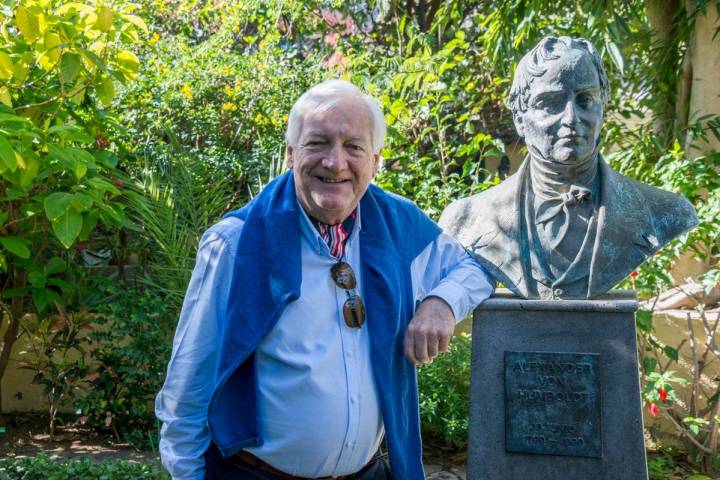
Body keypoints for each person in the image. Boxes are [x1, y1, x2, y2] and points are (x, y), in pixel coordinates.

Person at [156, 79, 495, 480]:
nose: (335, 163)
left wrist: (442, 303)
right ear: (290, 154)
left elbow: (476, 267)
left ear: (375, 161)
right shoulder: (235, 243)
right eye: (318, 143)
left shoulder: (398, 225)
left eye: (354, 147)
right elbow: (188, 387)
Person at [440, 36, 697, 300]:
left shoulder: (665, 212)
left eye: (585, 99)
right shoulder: (468, 218)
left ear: (603, 106)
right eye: (550, 103)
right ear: (519, 117)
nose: (571, 119)